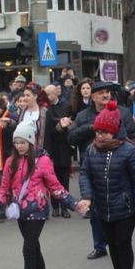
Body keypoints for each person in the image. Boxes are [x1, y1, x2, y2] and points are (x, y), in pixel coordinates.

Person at [0, 122, 80, 269]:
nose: (19, 146)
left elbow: (55, 187)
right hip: (19, 211)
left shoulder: (43, 161)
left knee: (28, 248)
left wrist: (73, 204)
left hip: (37, 210)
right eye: (16, 142)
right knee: (34, 247)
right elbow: (4, 188)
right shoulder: (10, 162)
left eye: (23, 142)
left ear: (31, 141)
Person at [78, 101, 135, 269]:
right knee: (112, 244)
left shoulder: (129, 150)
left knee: (123, 242)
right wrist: (87, 197)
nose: (100, 136)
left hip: (125, 206)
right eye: (98, 132)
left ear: (114, 131)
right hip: (102, 205)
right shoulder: (91, 150)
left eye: (104, 133)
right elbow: (85, 175)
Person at [42, 84, 75, 218]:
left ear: (56, 93)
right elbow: (49, 126)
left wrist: (63, 124)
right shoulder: (45, 109)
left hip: (64, 147)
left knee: (64, 180)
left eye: (49, 94)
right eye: (46, 94)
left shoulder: (66, 106)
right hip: (51, 147)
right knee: (51, 180)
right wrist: (59, 123)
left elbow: (70, 123)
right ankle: (55, 206)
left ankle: (65, 207)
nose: (47, 97)